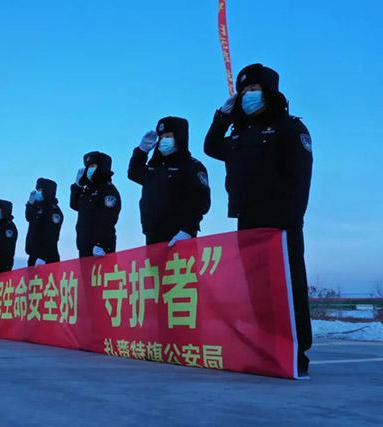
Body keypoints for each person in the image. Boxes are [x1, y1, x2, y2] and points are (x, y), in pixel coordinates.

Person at [204, 63, 313, 375]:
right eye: (243, 91)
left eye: (253, 89)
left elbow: (300, 177)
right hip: (248, 219)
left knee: (287, 288)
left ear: (268, 91)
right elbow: (211, 147)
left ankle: (296, 354)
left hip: (280, 222)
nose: (247, 95)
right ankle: (263, 350)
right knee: (255, 290)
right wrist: (222, 117)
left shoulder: (289, 127)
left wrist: (291, 219)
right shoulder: (240, 132)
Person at [128, 116, 211, 246]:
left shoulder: (192, 166)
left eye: (168, 136)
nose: (163, 140)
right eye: (161, 137)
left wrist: (188, 230)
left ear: (179, 137)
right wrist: (141, 151)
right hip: (153, 236)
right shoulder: (155, 167)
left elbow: (201, 201)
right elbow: (134, 173)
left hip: (180, 236)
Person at [70, 151, 121, 258]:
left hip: (100, 249)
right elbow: (75, 205)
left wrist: (101, 243)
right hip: (85, 246)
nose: (89, 169)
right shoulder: (88, 191)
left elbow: (108, 219)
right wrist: (77, 187)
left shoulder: (108, 190)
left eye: (93, 166)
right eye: (88, 167)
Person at [25, 178, 64, 266]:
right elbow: (29, 218)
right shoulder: (38, 208)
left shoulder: (54, 211)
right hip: (34, 255)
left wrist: (43, 257)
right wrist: (30, 205)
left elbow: (50, 236)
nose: (37, 193)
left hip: (47, 258)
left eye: (40, 190)